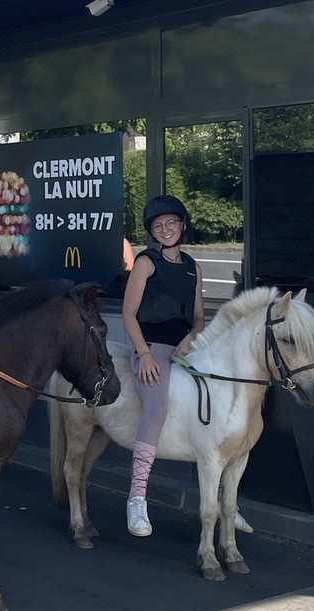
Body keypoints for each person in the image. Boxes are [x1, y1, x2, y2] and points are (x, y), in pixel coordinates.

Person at [121, 195, 205, 537]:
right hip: (151, 348)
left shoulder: (192, 266)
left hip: (185, 348)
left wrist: (191, 337)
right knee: (156, 409)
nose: (166, 229)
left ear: (182, 225)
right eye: (158, 226)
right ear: (152, 232)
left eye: (171, 223)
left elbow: (199, 317)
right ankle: (137, 498)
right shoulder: (145, 262)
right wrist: (144, 354)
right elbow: (128, 314)